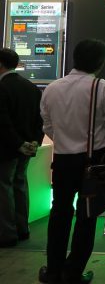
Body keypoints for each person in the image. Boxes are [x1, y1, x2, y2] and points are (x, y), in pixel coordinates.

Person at [39, 39, 105, 284]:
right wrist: (103, 142)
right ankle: (73, 272)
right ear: (100, 62)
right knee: (87, 216)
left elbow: (47, 124)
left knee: (59, 214)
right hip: (92, 161)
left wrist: (64, 141)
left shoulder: (52, 87)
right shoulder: (100, 86)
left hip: (62, 161)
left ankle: (53, 271)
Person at [0, 48, 43, 248]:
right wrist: (34, 141)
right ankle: (22, 229)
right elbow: (40, 119)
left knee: (4, 188)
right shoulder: (31, 87)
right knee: (20, 184)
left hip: (7, 148)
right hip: (26, 148)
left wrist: (18, 144)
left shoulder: (2, 87)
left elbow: (3, 122)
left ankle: (7, 234)